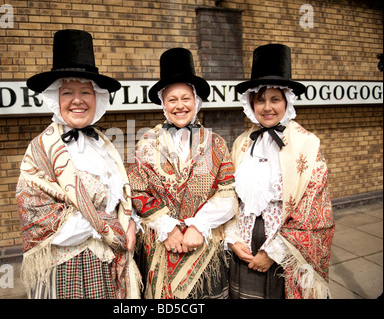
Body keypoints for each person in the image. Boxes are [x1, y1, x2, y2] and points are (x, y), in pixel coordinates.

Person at [16, 29, 141, 299]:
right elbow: (39, 221)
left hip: (110, 266)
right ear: (55, 99)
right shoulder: (41, 150)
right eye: (67, 92)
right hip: (68, 271)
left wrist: (130, 223)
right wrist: (110, 228)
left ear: (97, 99)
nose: (77, 100)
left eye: (85, 91)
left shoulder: (104, 145)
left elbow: (121, 201)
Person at [225, 43, 335, 299]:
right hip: (244, 244)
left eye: (275, 99)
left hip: (281, 248)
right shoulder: (242, 142)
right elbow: (229, 194)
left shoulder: (307, 144)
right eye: (260, 100)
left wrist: (273, 253)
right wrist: (232, 237)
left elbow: (313, 212)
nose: (267, 107)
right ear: (251, 103)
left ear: (287, 101)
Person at [128, 48, 238, 299]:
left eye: (186, 98)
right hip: (161, 247)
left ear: (196, 101)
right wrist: (168, 228)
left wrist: (199, 227)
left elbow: (228, 193)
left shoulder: (216, 143)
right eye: (172, 99)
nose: (180, 106)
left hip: (205, 249)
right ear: (163, 104)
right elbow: (136, 191)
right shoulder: (146, 143)